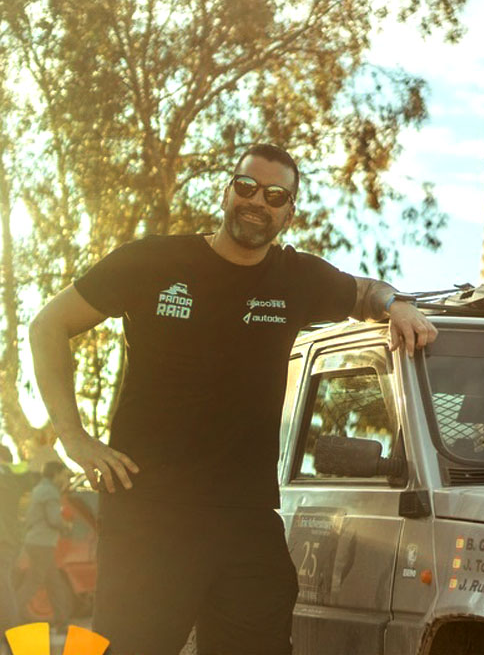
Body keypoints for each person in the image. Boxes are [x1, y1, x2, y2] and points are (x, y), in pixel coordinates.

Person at [28, 144, 438, 654]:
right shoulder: (153, 261)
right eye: (246, 187)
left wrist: (398, 304)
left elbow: (363, 292)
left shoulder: (297, 278)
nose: (256, 202)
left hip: (245, 517)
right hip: (150, 513)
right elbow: (48, 324)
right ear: (226, 191)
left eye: (274, 196)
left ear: (289, 213)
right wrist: (74, 437)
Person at [16, 460, 71, 630]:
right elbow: (54, 519)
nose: (65, 478)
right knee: (34, 581)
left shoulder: (40, 489)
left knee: (54, 583)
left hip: (36, 541)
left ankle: (62, 622)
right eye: (63, 474)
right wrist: (67, 526)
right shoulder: (50, 492)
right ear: (55, 474)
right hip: (42, 543)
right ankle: (7, 617)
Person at [0, 445, 39, 630]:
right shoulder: (16, 477)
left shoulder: (4, 477)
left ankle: (9, 630)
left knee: (2, 585)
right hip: (11, 538)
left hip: (3, 539)